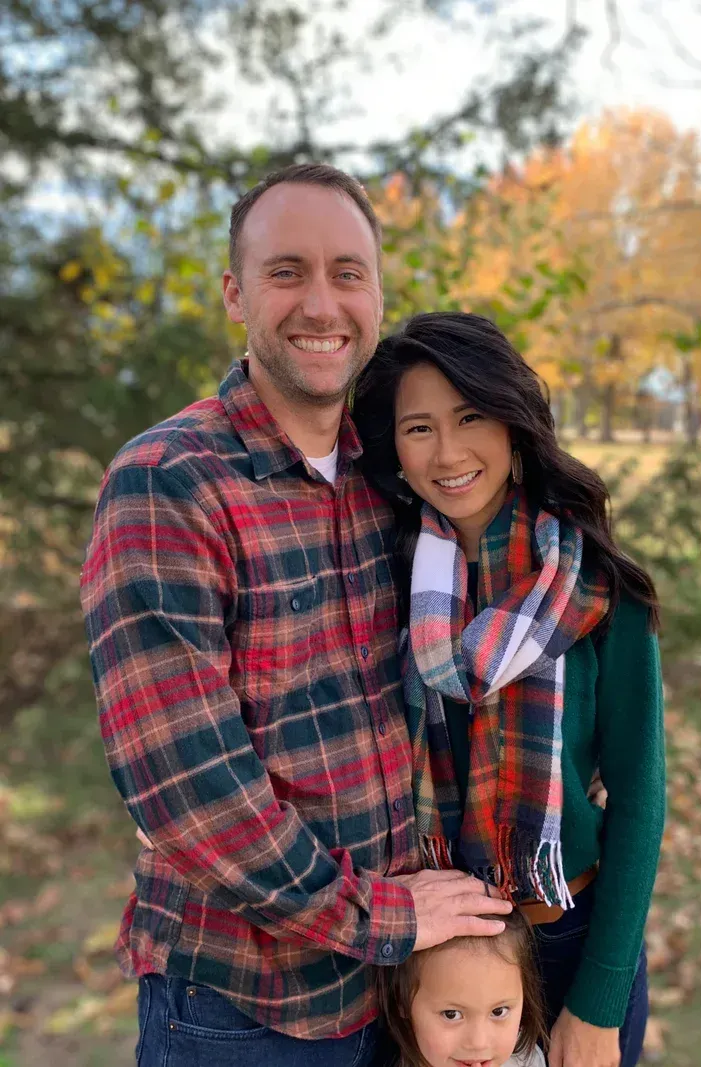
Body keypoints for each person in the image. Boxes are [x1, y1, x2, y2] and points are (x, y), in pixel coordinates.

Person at [79, 166, 510, 1067]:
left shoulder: (388, 477)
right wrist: (383, 915)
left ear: (376, 297)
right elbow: (190, 787)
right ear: (235, 294)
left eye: (348, 273)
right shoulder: (169, 482)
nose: (322, 303)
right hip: (246, 1008)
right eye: (287, 272)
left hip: (398, 989)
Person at [352, 312, 667, 1067]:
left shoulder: (595, 585)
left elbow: (639, 797)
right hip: (427, 953)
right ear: (394, 448)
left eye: (471, 417)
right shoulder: (380, 577)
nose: (448, 452)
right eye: (419, 428)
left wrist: (600, 999)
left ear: (512, 423)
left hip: (565, 941)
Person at [375, 908, 547, 1067]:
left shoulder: (527, 1062)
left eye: (498, 1011)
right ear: (403, 1001)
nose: (478, 1043)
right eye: (451, 1014)